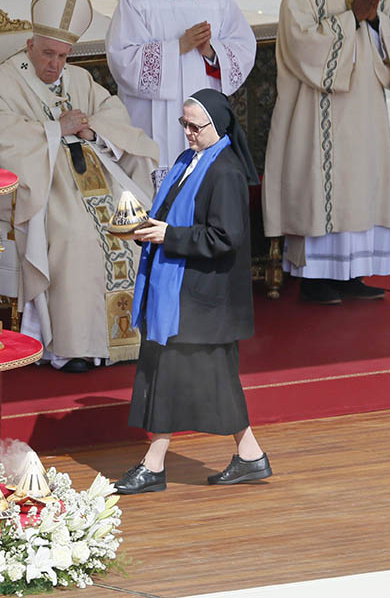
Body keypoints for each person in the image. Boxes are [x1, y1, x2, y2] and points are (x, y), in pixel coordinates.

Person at [0, 0, 158, 372]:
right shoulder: (1, 84)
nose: (55, 65)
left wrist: (92, 129)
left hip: (95, 180)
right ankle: (72, 347)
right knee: (77, 235)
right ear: (30, 45)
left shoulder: (77, 78)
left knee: (132, 227)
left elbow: (110, 111)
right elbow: (0, 140)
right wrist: (58, 129)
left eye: (63, 56)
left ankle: (120, 341)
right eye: (48, 54)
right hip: (44, 185)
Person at [115, 89, 270, 495]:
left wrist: (169, 235)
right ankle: (250, 456)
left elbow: (226, 238)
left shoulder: (226, 172)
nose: (187, 132)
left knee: (169, 373)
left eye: (194, 126)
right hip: (182, 293)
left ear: (216, 127)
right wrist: (149, 229)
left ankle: (154, 464)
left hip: (202, 298)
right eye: (183, 124)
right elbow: (170, 217)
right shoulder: (189, 161)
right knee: (214, 379)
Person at [262, 0, 390, 304]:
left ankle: (353, 274)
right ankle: (316, 278)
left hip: (365, 107)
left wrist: (377, 18)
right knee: (324, 183)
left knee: (361, 182)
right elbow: (301, 45)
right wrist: (353, 18)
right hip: (320, 108)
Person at [105, 0, 255, 189]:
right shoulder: (136, 0)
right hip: (152, 118)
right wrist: (178, 47)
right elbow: (122, 60)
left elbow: (243, 49)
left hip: (202, 113)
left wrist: (211, 51)